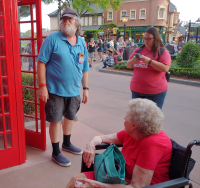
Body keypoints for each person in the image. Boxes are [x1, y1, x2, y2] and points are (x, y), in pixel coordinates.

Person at [66, 98, 172, 188]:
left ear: (134, 125)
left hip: (137, 185)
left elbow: (137, 186)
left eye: (127, 116)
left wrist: (100, 185)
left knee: (83, 185)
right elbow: (101, 138)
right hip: (119, 176)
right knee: (75, 180)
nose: (124, 118)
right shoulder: (134, 132)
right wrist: (92, 144)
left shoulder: (153, 144)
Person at [37, 7, 89, 167]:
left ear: (76, 22)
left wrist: (85, 88)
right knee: (55, 121)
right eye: (64, 19)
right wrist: (42, 86)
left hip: (73, 90)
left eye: (70, 19)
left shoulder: (81, 42)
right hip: (55, 90)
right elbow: (41, 62)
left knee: (70, 118)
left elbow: (85, 67)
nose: (66, 21)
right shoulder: (52, 39)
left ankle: (66, 143)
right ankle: (56, 151)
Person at [127, 27, 171, 109]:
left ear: (156, 38)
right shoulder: (138, 50)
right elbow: (128, 65)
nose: (146, 41)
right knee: (137, 118)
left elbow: (165, 68)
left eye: (149, 38)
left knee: (152, 119)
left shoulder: (162, 51)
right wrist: (134, 59)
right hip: (137, 91)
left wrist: (149, 61)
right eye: (144, 38)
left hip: (155, 92)